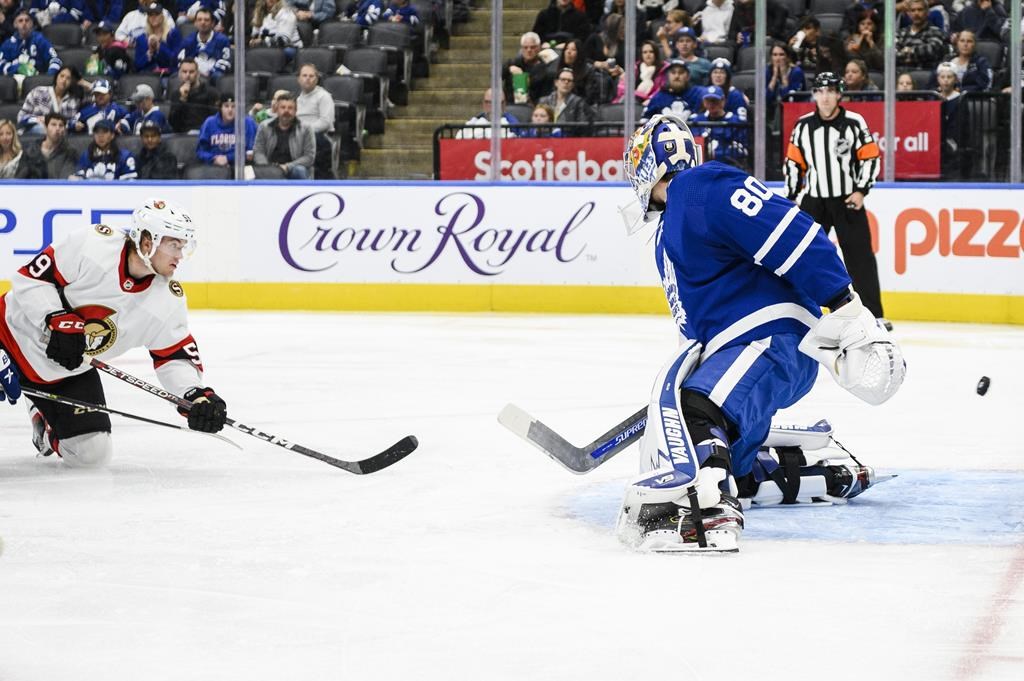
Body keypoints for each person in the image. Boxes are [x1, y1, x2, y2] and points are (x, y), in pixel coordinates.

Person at [618, 112, 904, 552]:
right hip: (746, 349)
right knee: (707, 429)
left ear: (647, 162)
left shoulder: (698, 187)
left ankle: (706, 514)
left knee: (698, 410)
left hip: (770, 339)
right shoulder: (670, 228)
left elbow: (789, 229)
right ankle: (788, 476)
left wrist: (846, 303)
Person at [0, 198, 228, 467]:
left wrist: (195, 394)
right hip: (9, 336)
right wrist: (55, 316)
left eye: (183, 246)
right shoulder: (94, 245)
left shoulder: (168, 301)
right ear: (147, 241)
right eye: (173, 244)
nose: (180, 255)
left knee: (91, 455)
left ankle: (43, 417)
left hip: (67, 371)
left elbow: (173, 355)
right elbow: (30, 278)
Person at [784, 72, 888, 328]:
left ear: (839, 94)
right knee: (803, 254)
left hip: (847, 199)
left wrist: (861, 190)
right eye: (821, 91)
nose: (826, 97)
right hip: (814, 200)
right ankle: (798, 311)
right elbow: (794, 164)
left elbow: (870, 157)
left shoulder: (854, 122)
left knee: (860, 256)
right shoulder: (803, 126)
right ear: (815, 95)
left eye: (831, 91)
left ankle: (873, 314)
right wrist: (794, 197)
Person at [253, 92, 315, 179]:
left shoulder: (306, 128)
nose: (286, 111)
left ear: (295, 111)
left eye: (290, 108)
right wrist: (268, 168)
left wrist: (287, 167)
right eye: (283, 107)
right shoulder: (264, 126)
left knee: (299, 170)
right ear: (276, 109)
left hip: (293, 168)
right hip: (270, 168)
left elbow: (309, 157)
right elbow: (258, 152)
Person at [17, 65, 85, 135]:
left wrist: (87, 85)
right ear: (56, 77)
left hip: (61, 134)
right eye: (62, 76)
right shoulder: (38, 92)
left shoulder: (73, 100)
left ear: (71, 82)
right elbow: (21, 117)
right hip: (35, 131)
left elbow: (72, 121)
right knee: (43, 129)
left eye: (68, 78)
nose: (64, 80)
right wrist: (37, 119)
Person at [690, 85, 748, 167]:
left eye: (714, 100)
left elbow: (742, 149)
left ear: (723, 101)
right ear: (703, 102)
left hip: (728, 166)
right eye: (708, 101)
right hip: (702, 166)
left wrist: (715, 151)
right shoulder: (697, 120)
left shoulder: (735, 121)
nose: (711, 104)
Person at [296, 63, 335, 179]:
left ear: (317, 79)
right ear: (299, 79)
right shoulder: (297, 98)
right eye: (304, 75)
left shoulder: (324, 96)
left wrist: (302, 131)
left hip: (318, 137)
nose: (307, 78)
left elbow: (325, 123)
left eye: (311, 76)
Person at [197, 96, 256, 168]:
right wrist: (213, 159)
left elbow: (250, 152)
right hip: (214, 167)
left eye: (233, 106)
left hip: (240, 168)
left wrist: (228, 158)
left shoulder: (247, 123)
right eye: (226, 106)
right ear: (220, 108)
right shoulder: (209, 123)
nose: (230, 110)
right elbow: (201, 151)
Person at [176, 7, 232, 82]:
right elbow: (181, 61)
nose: (203, 22)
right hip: (193, 76)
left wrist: (210, 73)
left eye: (206, 20)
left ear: (212, 23)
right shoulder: (188, 41)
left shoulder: (222, 40)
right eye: (199, 20)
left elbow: (225, 62)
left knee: (218, 76)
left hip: (214, 77)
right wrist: (195, 73)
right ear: (195, 23)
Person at [0, 8, 61, 76]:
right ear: (15, 24)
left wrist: (49, 77)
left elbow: (55, 60)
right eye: (20, 21)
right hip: (14, 80)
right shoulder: (8, 43)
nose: (24, 23)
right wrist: (17, 68)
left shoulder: (40, 39)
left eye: (27, 20)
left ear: (31, 23)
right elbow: (1, 63)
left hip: (36, 80)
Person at [72, 118, 138, 180]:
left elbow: (130, 184)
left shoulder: (124, 157)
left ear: (112, 135)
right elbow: (78, 179)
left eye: (105, 132)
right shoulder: (86, 155)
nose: (100, 136)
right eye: (97, 132)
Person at [17, 112, 78, 179]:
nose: (57, 128)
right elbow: (20, 177)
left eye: (61, 125)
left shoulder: (70, 152)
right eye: (53, 124)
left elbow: (66, 176)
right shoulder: (30, 150)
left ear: (64, 130)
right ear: (46, 127)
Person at [168, 58, 219, 133]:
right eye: (184, 72)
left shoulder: (210, 92)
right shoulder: (176, 94)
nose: (188, 75)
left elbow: (215, 119)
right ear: (179, 74)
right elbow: (173, 123)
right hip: (183, 135)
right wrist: (182, 98)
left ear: (198, 73)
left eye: (191, 72)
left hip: (204, 133)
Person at [503, 31, 554, 105]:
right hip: (509, 105)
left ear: (539, 48)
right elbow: (497, 74)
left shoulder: (544, 69)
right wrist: (509, 68)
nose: (529, 50)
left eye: (532, 47)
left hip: (532, 106)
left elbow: (536, 86)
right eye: (525, 47)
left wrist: (521, 77)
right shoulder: (513, 62)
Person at [896, 0, 948, 70]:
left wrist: (907, 51)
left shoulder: (936, 32)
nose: (916, 13)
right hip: (901, 75)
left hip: (924, 73)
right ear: (908, 13)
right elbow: (892, 54)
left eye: (920, 10)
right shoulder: (901, 33)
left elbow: (930, 51)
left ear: (927, 12)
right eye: (913, 10)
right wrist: (916, 53)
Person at [134, 3, 183, 74]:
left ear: (162, 16)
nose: (153, 17)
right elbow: (137, 65)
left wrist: (159, 46)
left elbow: (176, 60)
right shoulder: (141, 38)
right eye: (150, 15)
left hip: (167, 74)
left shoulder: (173, 34)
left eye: (156, 14)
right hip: (148, 75)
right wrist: (149, 53)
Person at [455, 88, 520, 139]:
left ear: (504, 104)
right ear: (483, 104)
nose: (492, 107)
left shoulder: (512, 124)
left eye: (496, 103)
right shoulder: (474, 122)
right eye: (488, 102)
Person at [766, 41, 804, 107]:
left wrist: (784, 76)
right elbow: (765, 99)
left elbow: (791, 100)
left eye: (781, 54)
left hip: (792, 109)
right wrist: (774, 77)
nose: (778, 58)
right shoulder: (767, 70)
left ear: (788, 57)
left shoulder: (796, 72)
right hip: (770, 110)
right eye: (775, 55)